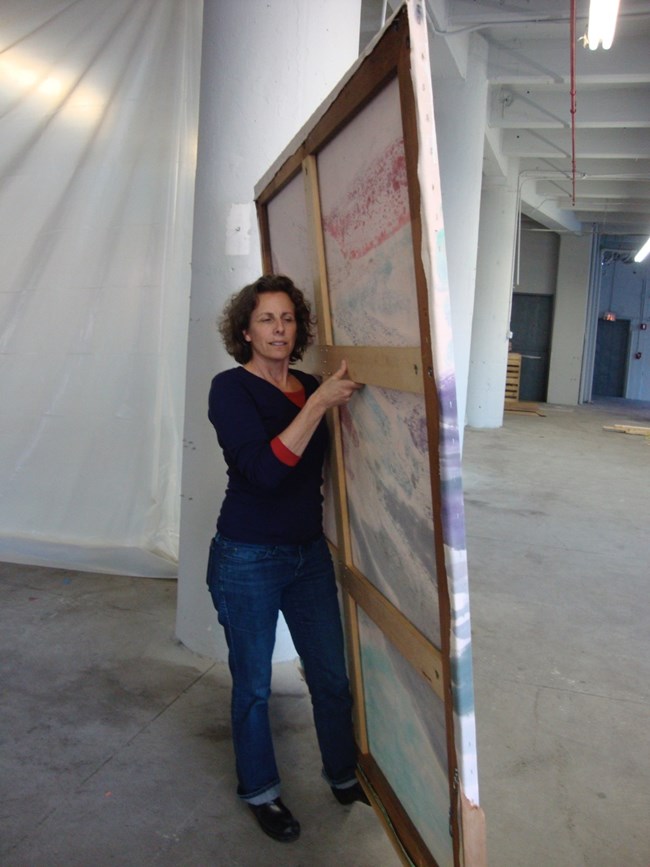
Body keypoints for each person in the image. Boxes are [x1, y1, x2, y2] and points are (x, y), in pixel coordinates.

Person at [206, 274, 369, 843]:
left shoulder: (307, 382)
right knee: (251, 686)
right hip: (246, 556)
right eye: (266, 320)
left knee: (330, 674)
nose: (279, 329)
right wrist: (319, 403)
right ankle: (261, 791)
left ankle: (342, 771)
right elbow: (267, 473)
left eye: (288, 318)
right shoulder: (230, 389)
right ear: (246, 331)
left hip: (307, 555)